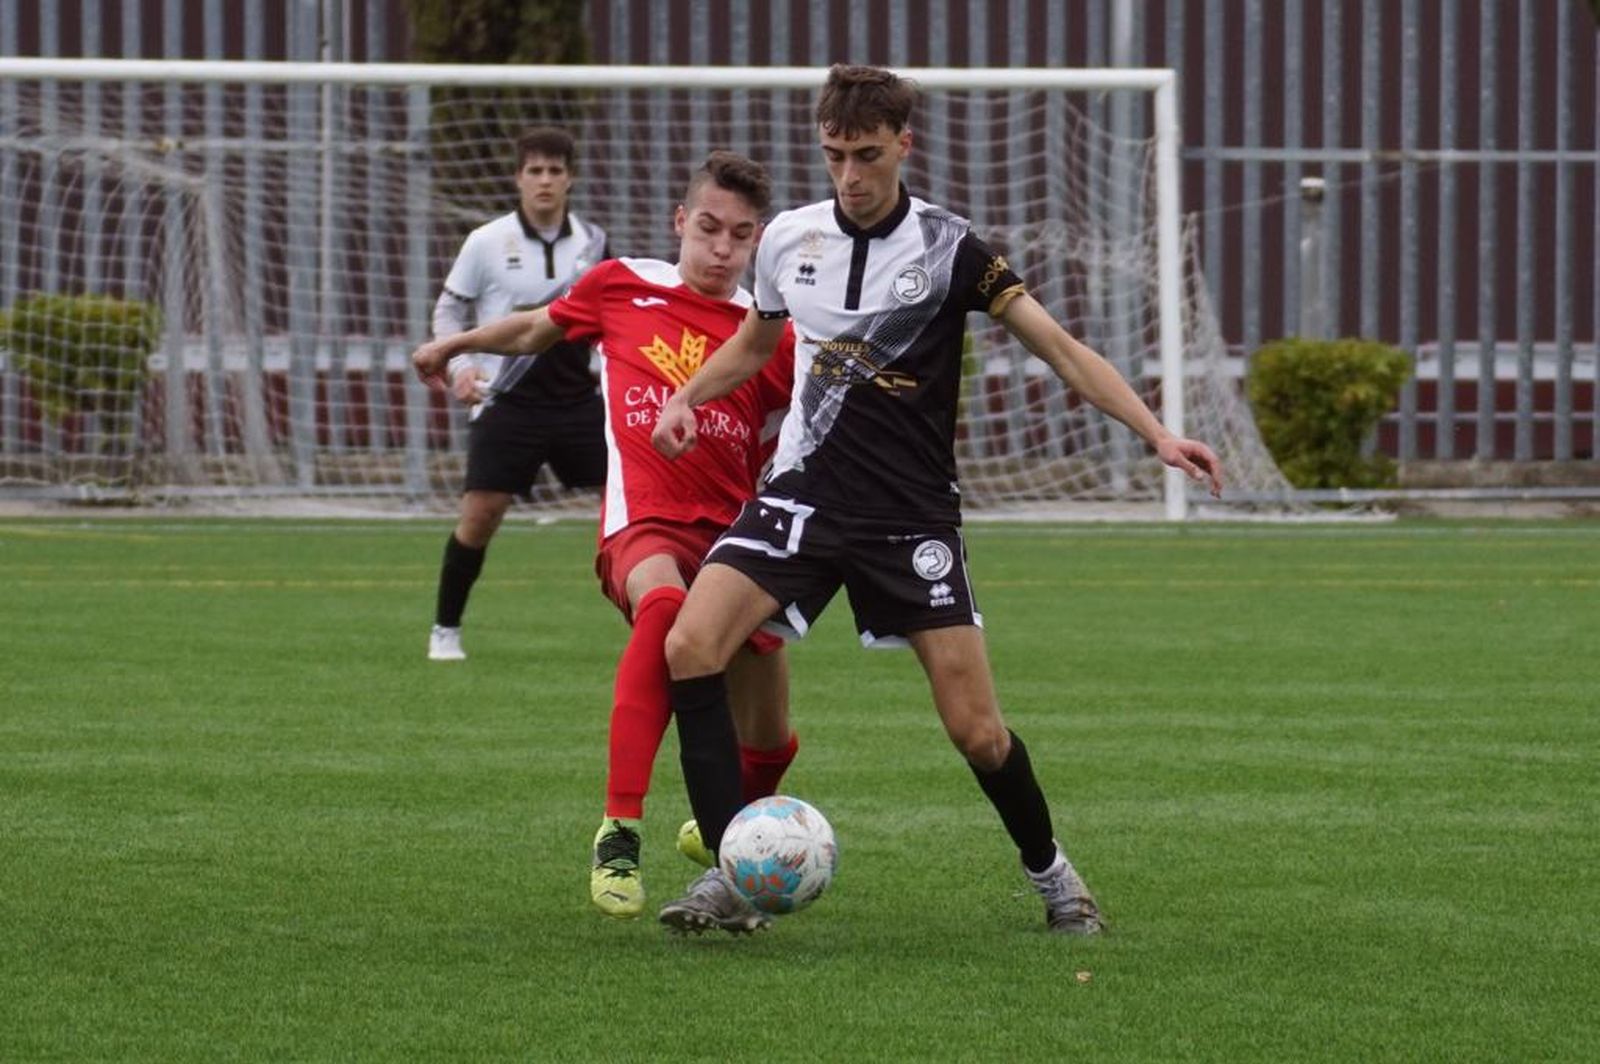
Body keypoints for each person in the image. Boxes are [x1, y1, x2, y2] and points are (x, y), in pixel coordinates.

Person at [649, 65, 1225, 936]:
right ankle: (735, 876)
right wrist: (690, 395)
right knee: (691, 645)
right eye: (837, 155)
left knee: (977, 732)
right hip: (801, 498)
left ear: (903, 146)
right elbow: (754, 341)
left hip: (909, 518)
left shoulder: (954, 250)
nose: (851, 174)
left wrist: (1157, 433)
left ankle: (1055, 877)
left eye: (868, 155)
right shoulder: (787, 239)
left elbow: (1062, 350)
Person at [412, 151, 800, 920]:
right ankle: (620, 829)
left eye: (741, 236)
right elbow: (535, 328)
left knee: (772, 736)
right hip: (645, 521)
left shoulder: (768, 335)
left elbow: (814, 418)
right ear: (681, 223)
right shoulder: (622, 284)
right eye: (710, 229)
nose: (722, 250)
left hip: (736, 540)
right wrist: (454, 346)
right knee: (661, 613)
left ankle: (728, 834)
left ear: (757, 243)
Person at [428, 127, 610, 662]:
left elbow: (610, 317)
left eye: (555, 170)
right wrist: (460, 365)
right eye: (535, 171)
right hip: (507, 405)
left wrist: (610, 373)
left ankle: (655, 625)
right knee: (480, 517)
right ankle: (445, 630)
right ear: (518, 178)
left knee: (630, 509)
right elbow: (448, 310)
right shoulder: (485, 241)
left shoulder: (594, 243)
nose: (545, 181)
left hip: (580, 402)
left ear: (570, 178)